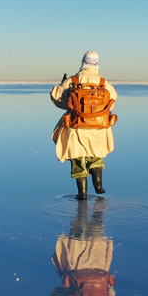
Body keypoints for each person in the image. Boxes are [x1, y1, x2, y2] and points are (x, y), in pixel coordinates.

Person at [50, 51, 117, 200]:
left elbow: (56, 98)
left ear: (83, 63)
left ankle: (82, 194)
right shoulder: (102, 82)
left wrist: (62, 84)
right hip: (98, 128)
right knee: (95, 155)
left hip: (76, 127)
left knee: (77, 157)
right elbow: (113, 100)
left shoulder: (73, 80)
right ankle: (98, 185)